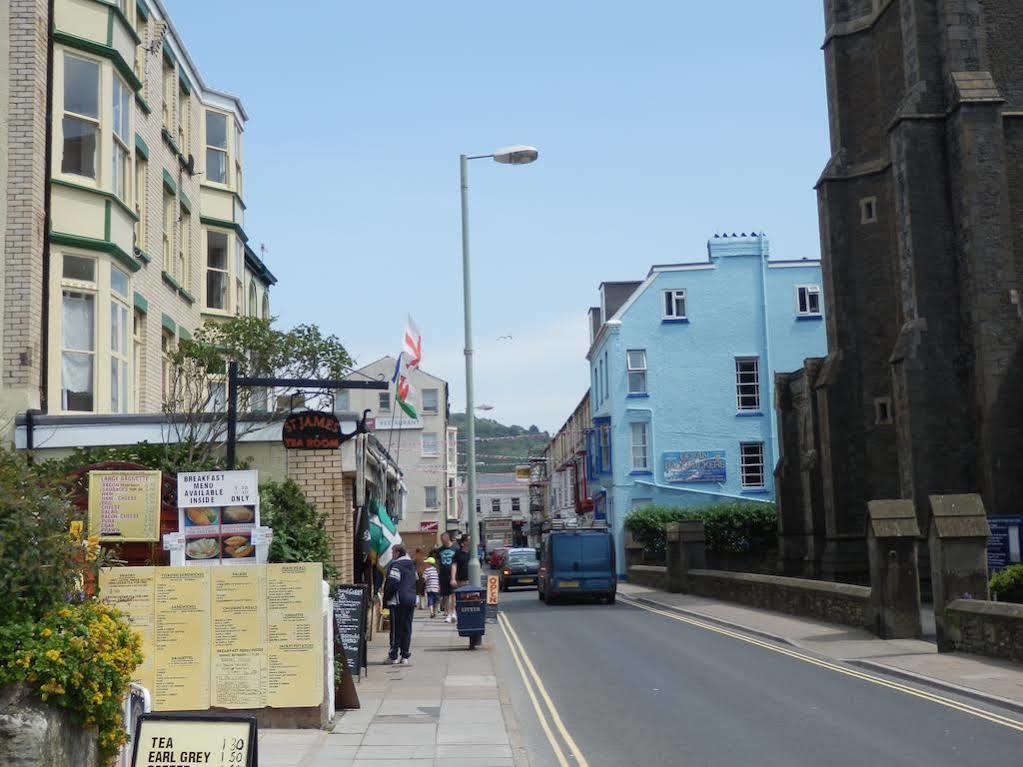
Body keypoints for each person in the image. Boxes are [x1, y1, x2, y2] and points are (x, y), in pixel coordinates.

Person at [383, 544, 417, 664]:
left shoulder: (396, 565)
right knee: (407, 628)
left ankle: (393, 656)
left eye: (393, 552)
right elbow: (416, 580)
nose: (392, 555)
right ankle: (405, 656)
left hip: (397, 600)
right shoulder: (412, 565)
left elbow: (393, 583)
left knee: (396, 629)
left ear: (397, 553)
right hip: (411, 599)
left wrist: (386, 598)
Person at [435, 532, 459, 623]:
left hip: (453, 575)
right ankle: (449, 613)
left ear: (448, 538)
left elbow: (457, 563)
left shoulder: (456, 548)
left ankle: (453, 613)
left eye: (443, 539)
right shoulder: (439, 550)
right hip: (443, 575)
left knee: (453, 595)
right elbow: (437, 563)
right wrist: (438, 574)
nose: (442, 541)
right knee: (446, 596)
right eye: (441, 540)